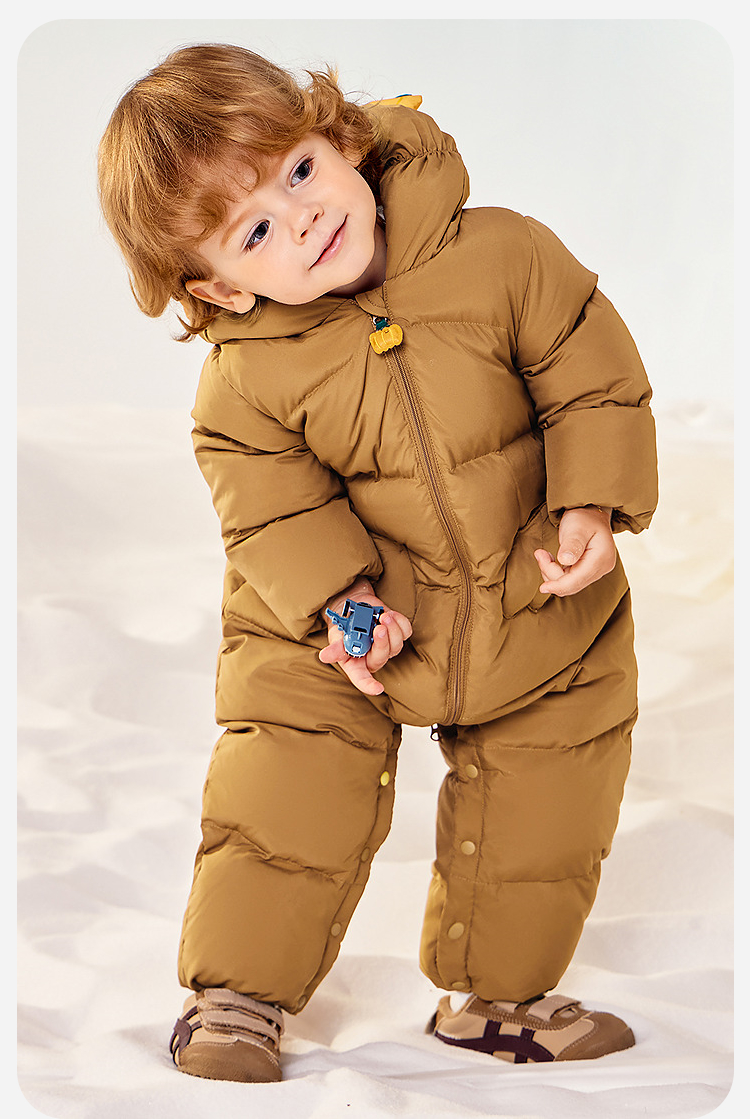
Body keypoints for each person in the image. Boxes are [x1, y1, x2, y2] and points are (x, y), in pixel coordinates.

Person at [98, 42, 658, 1083]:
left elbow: (592, 372)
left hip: (525, 586)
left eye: (299, 171)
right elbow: (269, 507)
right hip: (336, 625)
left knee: (553, 778)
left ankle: (497, 994)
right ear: (219, 288)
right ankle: (237, 994)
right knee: (286, 790)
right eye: (255, 230)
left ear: (339, 135)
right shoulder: (245, 383)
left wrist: (591, 498)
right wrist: (340, 604)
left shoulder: (504, 254)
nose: (303, 216)